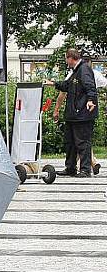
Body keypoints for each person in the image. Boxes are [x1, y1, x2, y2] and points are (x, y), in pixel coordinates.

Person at [45, 48, 99, 177]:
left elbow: (90, 86)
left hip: (82, 114)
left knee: (82, 142)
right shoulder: (75, 71)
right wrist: (54, 84)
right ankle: (70, 168)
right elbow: (67, 86)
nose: (66, 61)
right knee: (70, 142)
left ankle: (85, 170)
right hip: (73, 115)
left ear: (70, 58)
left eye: (66, 58)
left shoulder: (84, 69)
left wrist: (91, 100)